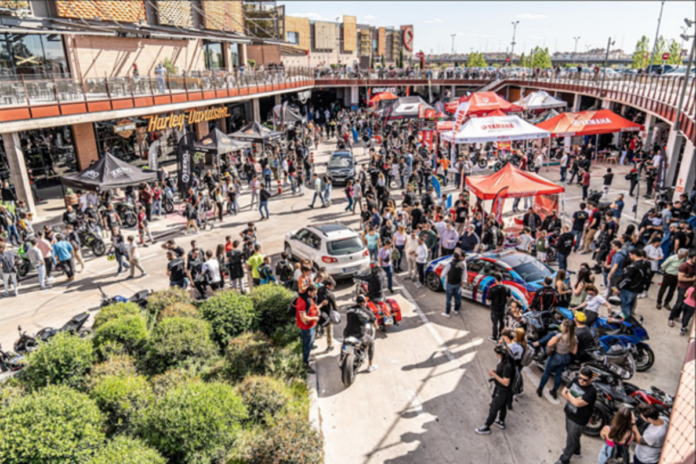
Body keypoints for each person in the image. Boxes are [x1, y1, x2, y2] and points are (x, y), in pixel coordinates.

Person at [554, 366, 597, 464]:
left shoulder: (591, 392)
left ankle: (564, 459)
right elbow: (563, 392)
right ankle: (576, 451)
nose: (581, 381)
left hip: (578, 420)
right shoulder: (575, 380)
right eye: (580, 377)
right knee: (571, 435)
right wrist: (573, 398)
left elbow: (577, 403)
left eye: (584, 380)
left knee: (571, 440)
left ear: (590, 379)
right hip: (569, 412)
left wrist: (569, 394)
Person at [475, 344, 515, 435]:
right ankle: (501, 421)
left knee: (493, 408)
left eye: (497, 354)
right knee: (502, 406)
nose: (496, 356)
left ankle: (486, 426)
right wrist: (497, 372)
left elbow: (506, 382)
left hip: (502, 391)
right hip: (504, 391)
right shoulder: (507, 361)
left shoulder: (507, 366)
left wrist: (494, 375)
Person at [536, 320, 578, 399]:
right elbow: (574, 351)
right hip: (566, 357)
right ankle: (554, 391)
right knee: (558, 375)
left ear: (565, 328)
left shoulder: (559, 336)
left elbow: (549, 344)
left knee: (547, 373)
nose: (561, 325)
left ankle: (540, 389)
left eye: (562, 324)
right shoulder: (574, 338)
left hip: (556, 357)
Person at [343, 295, 378, 372]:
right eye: (365, 302)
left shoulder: (349, 309)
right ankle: (370, 366)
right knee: (371, 343)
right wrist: (376, 326)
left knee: (345, 342)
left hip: (347, 332)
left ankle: (342, 358)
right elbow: (375, 324)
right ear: (363, 303)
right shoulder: (367, 312)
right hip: (359, 335)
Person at [668, 251, 696, 327]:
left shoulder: (694, 265)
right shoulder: (684, 266)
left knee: (684, 303)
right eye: (695, 258)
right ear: (690, 258)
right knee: (679, 303)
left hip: (690, 288)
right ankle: (671, 318)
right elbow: (680, 278)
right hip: (683, 287)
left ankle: (677, 316)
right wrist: (692, 279)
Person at [296, 285, 320, 373]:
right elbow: (303, 318)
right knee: (307, 345)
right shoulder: (302, 302)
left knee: (310, 343)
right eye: (313, 293)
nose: (315, 295)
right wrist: (315, 318)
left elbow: (313, 305)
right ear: (309, 291)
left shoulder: (310, 297)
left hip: (311, 326)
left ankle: (308, 356)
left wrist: (317, 310)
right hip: (307, 328)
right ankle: (305, 364)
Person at [440, 251, 467, 317]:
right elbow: (464, 275)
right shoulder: (463, 264)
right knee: (457, 297)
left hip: (450, 284)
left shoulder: (450, 264)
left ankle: (447, 313)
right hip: (458, 284)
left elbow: (443, 274)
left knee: (449, 299)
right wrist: (463, 281)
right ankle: (456, 310)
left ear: (453, 256)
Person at [317, 278, 338, 351]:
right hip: (327, 315)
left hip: (318, 312)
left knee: (318, 324)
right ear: (328, 286)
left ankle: (318, 333)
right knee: (329, 330)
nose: (333, 288)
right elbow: (335, 307)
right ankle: (329, 345)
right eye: (332, 286)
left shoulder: (319, 290)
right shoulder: (331, 295)